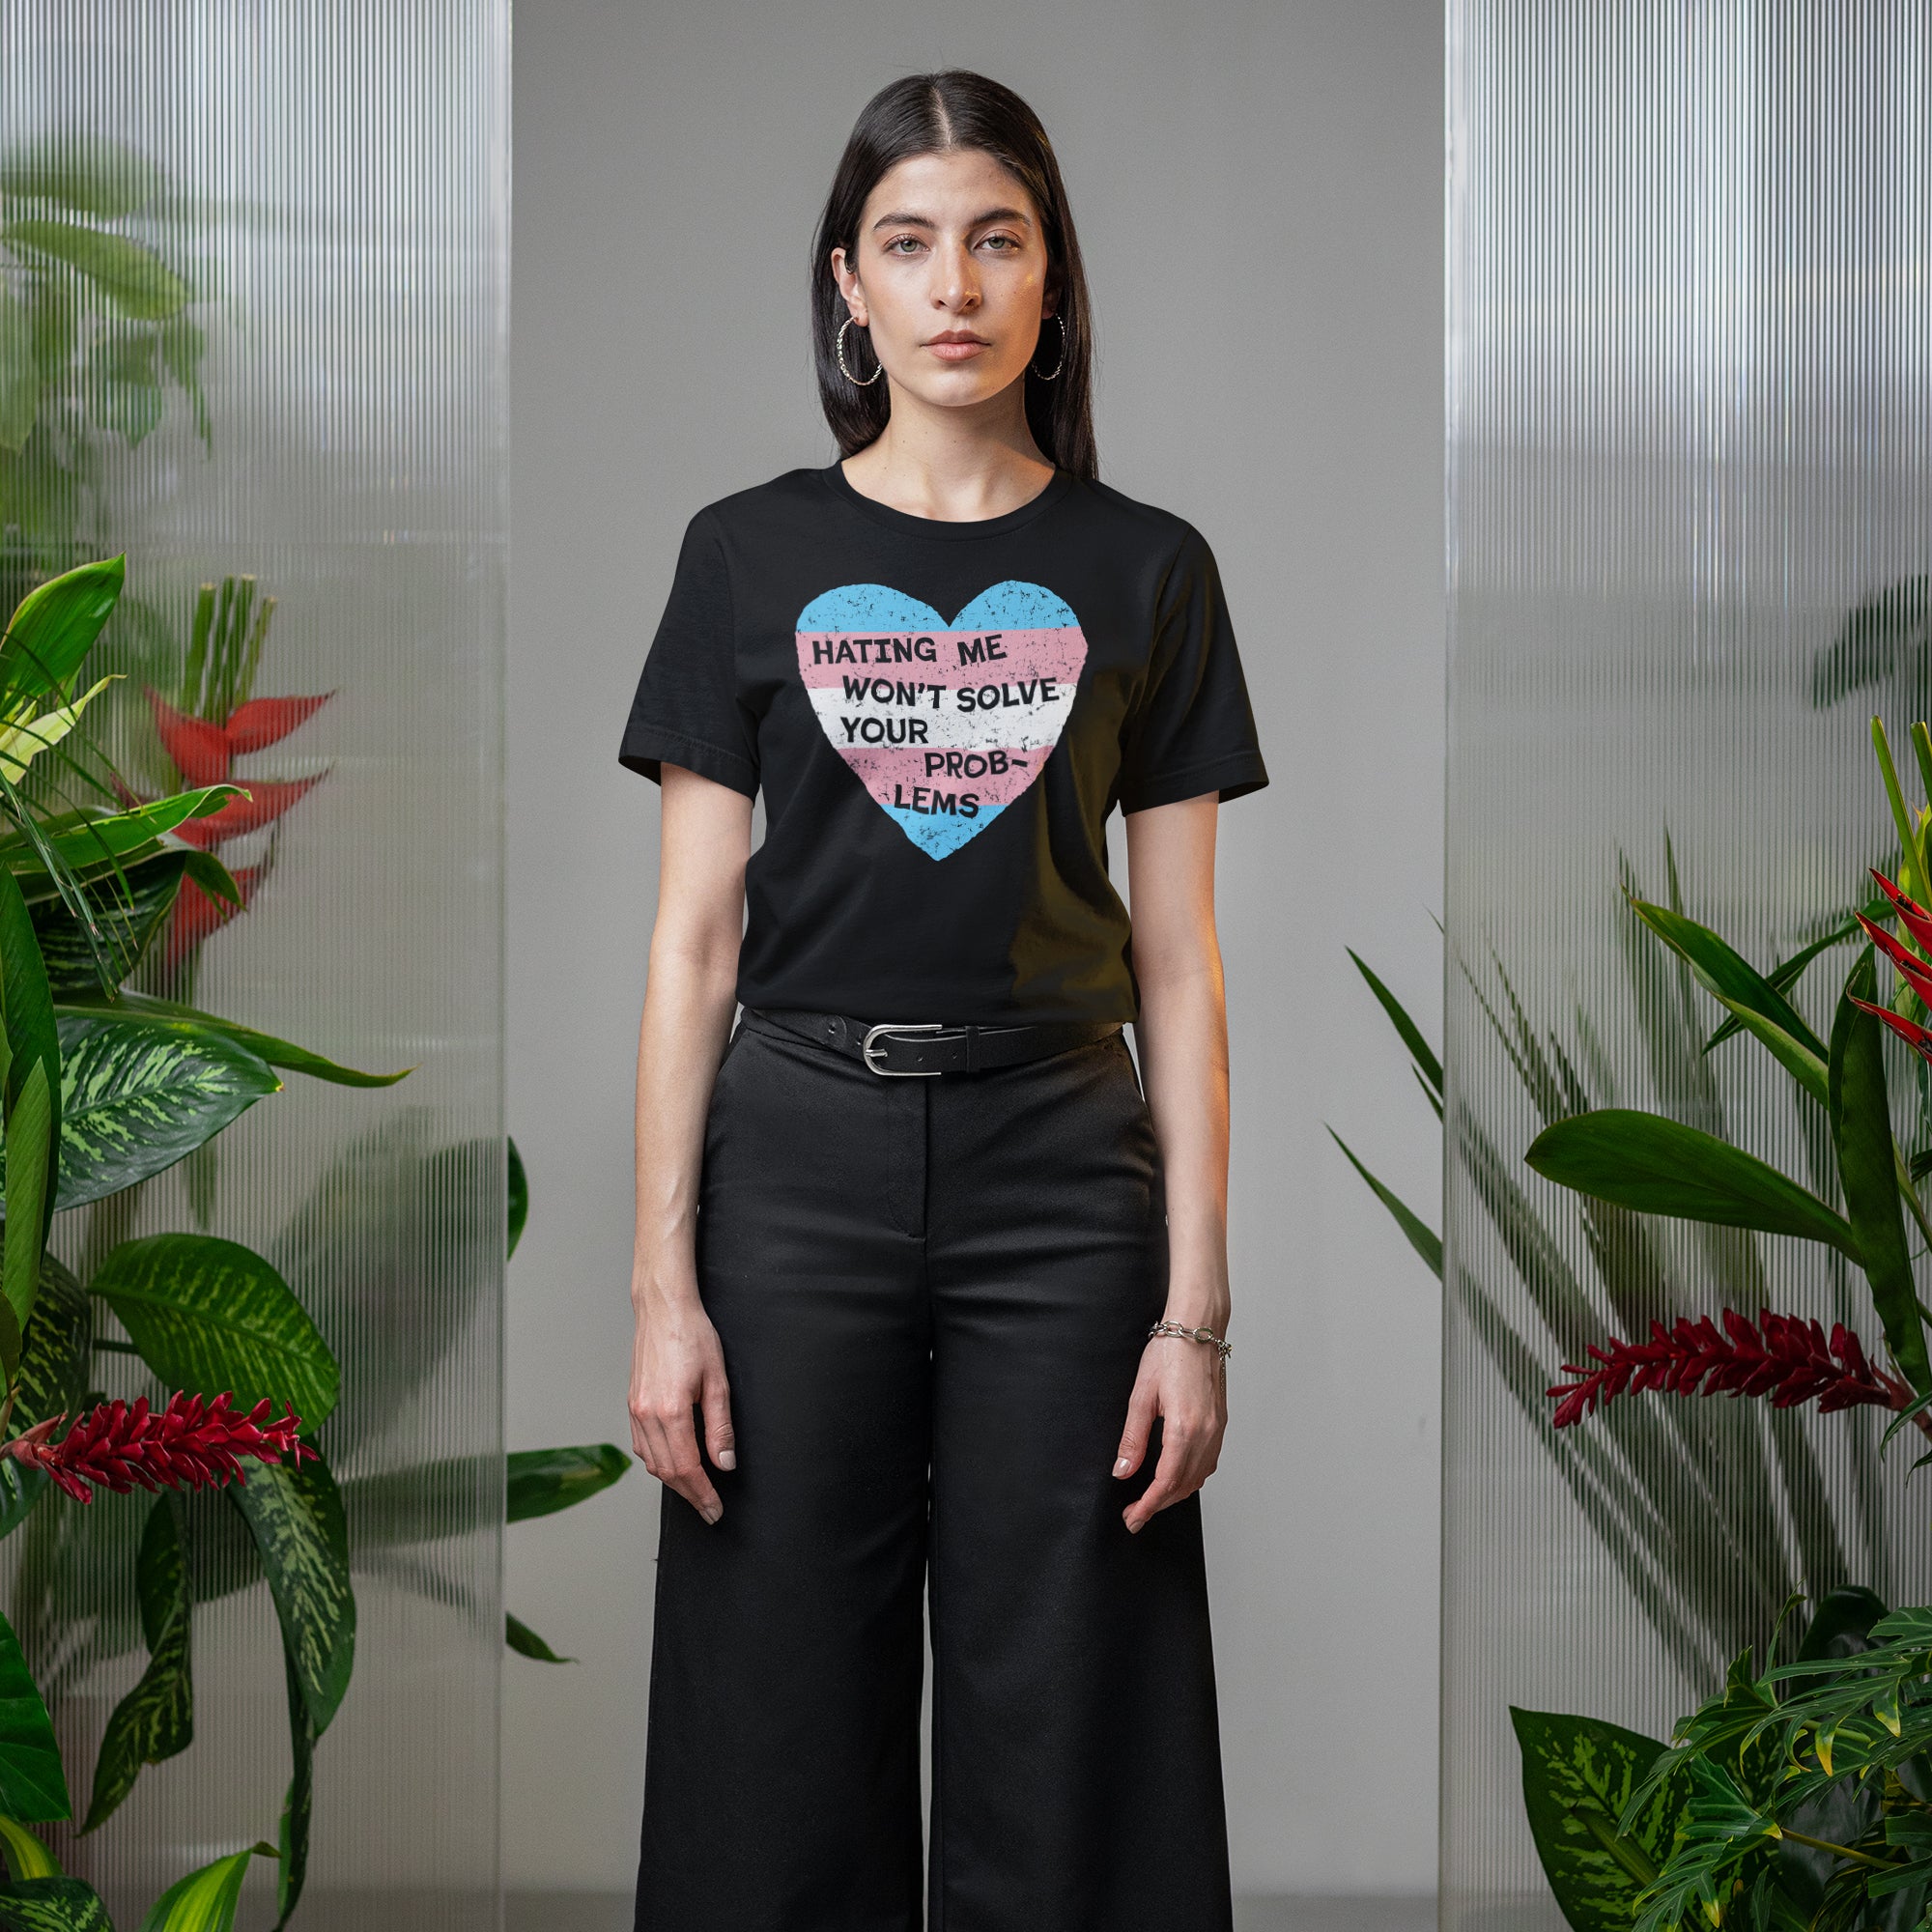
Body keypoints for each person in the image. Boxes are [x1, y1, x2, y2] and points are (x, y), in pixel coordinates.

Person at [617, 68, 1268, 1932]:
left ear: (1052, 281)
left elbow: (1181, 963)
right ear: (850, 286)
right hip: (797, 1160)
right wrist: (664, 1289)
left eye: (997, 239)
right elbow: (690, 946)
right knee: (770, 1709)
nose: (955, 283)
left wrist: (1197, 1309)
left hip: (1063, 1172)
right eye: (910, 245)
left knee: (1077, 1702)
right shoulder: (743, 556)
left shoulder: (1149, 570)